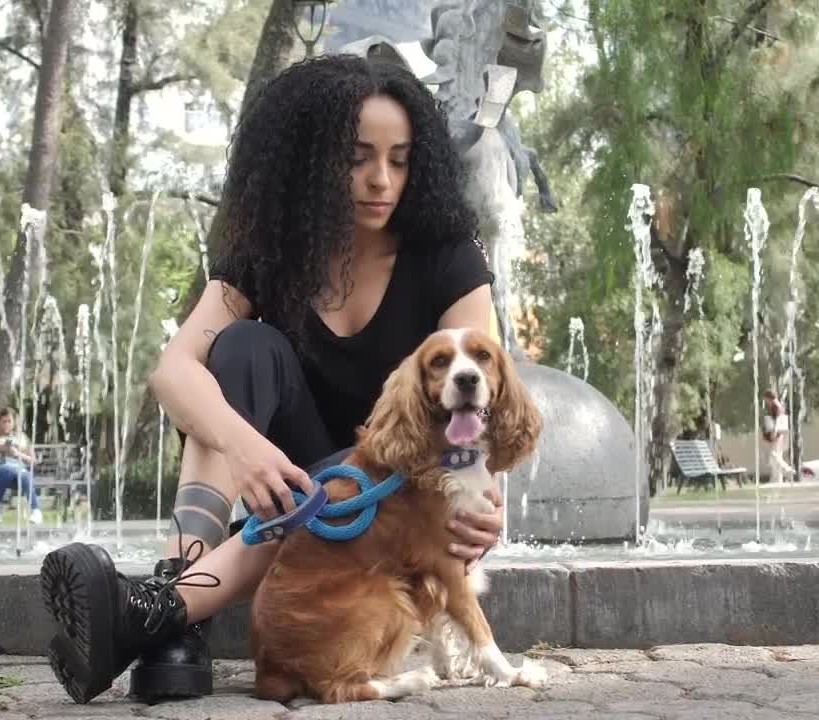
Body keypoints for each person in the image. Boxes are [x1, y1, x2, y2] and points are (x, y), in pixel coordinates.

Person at [40, 54, 507, 705]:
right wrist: (246, 448)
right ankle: (179, 613)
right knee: (238, 353)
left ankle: (160, 616)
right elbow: (172, 370)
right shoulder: (272, 250)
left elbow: (481, 391)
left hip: (385, 501)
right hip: (286, 482)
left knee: (329, 479)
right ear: (311, 159)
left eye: (398, 159)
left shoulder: (449, 257)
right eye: (356, 157)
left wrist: (483, 500)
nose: (381, 180)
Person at [0, 407, 42, 525]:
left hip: (18, 473)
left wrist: (17, 453)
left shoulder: (22, 438)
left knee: (24, 475)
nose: (6, 424)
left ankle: (35, 511)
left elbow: (33, 461)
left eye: (9, 421)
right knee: (6, 469)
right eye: (4, 421)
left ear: (14, 423)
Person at [761, 390, 795, 484]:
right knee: (776, 456)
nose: (765, 401)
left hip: (776, 434)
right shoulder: (777, 405)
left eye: (765, 399)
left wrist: (773, 432)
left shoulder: (775, 406)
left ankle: (787, 469)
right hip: (779, 433)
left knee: (773, 455)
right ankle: (777, 480)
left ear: (768, 397)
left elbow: (777, 420)